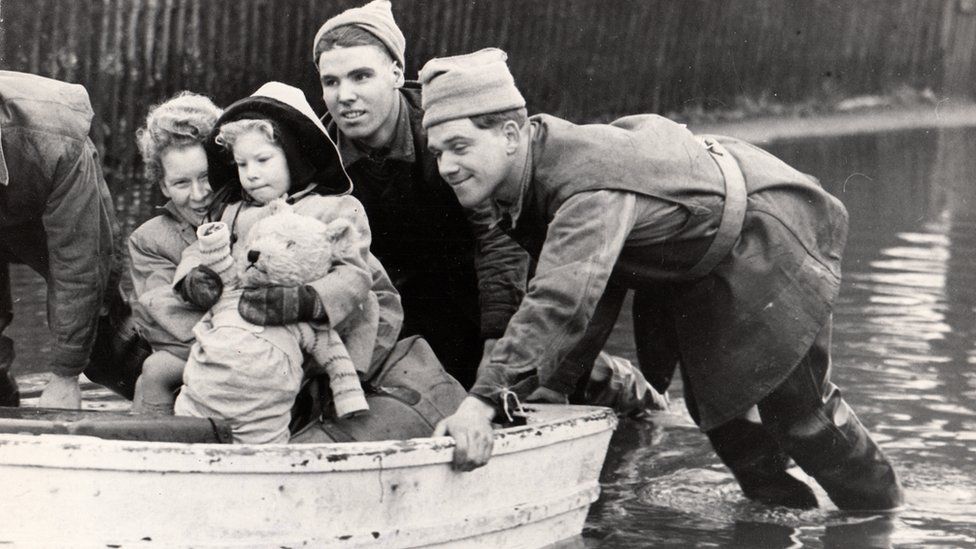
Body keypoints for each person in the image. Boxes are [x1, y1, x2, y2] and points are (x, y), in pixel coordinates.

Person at [423, 49, 904, 512]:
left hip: (763, 235)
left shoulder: (586, 183)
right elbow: (587, 288)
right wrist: (539, 391)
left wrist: (482, 402)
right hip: (685, 264)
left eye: (460, 147)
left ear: (510, 133)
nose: (446, 166)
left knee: (801, 414)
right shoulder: (526, 168)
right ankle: (780, 519)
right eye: (438, 151)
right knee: (724, 418)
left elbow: (561, 299)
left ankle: (878, 516)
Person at [310, 1, 663, 415]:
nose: (345, 95)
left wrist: (497, 336)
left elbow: (498, 238)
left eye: (361, 76)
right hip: (404, 294)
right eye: (331, 81)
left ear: (393, 73)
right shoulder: (317, 154)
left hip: (483, 274)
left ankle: (640, 404)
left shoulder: (445, 128)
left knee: (540, 371)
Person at [172, 81, 402, 401]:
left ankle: (327, 395)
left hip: (319, 336)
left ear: (294, 155)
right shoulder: (233, 211)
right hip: (253, 335)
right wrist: (195, 276)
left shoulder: (334, 209)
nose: (251, 173)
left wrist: (304, 300)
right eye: (242, 164)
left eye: (263, 160)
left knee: (361, 307)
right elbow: (201, 247)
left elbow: (354, 275)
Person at [0, 71, 121, 409]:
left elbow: (79, 264)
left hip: (42, 197)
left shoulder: (56, 141)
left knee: (104, 336)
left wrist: (66, 375)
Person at [127, 92, 223, 414]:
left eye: (207, 176)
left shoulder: (250, 213)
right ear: (164, 186)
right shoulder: (149, 240)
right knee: (153, 372)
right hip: (201, 357)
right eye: (181, 183)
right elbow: (164, 323)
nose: (199, 195)